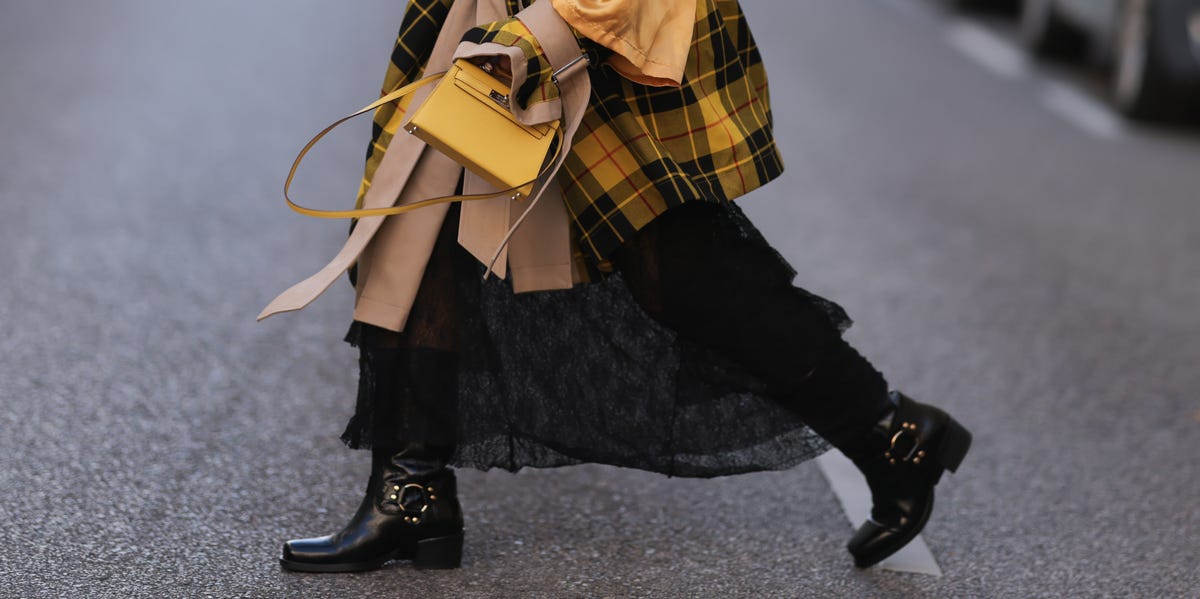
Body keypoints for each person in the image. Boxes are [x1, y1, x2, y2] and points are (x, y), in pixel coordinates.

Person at [264, 0, 972, 573]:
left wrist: (552, 28)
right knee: (418, 221)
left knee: (674, 263)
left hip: (600, 24)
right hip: (492, 17)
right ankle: (410, 491)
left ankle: (889, 431)